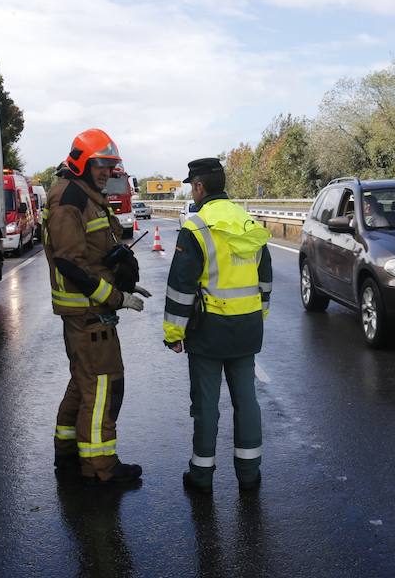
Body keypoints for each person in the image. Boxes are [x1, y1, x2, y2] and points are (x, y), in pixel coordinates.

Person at [44, 128, 151, 486]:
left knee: (84, 383)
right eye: (101, 165)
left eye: (110, 166)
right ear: (81, 163)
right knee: (103, 387)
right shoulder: (71, 198)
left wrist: (124, 282)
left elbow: (92, 254)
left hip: (88, 310)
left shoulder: (83, 194)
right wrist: (116, 298)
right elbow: (69, 263)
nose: (107, 172)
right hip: (88, 312)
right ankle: (100, 467)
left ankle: (68, 454)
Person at [163, 157, 273, 494]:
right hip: (247, 327)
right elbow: (265, 279)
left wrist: (173, 333)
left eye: (192, 187)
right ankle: (249, 476)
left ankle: (201, 476)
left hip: (208, 330)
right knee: (247, 400)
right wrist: (256, 316)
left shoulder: (196, 227)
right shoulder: (248, 221)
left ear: (199, 187)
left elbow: (181, 287)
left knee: (206, 405)